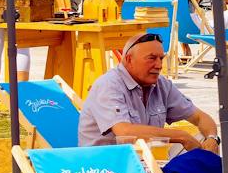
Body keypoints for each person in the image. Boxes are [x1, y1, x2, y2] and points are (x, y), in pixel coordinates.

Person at [75, 32, 218, 150]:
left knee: (202, 138)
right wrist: (181, 136)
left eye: (161, 59)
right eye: (151, 59)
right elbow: (124, 131)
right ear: (129, 59)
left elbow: (199, 117)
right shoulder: (108, 85)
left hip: (147, 161)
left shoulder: (161, 84)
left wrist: (212, 139)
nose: (159, 65)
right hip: (107, 167)